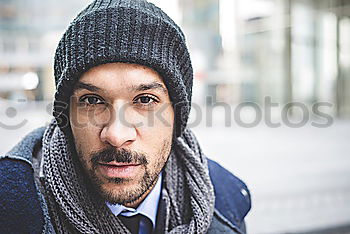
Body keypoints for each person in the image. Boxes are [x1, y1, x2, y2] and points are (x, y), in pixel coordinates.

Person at [0, 0, 251, 233]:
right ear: (65, 115)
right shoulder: (10, 208)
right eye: (92, 100)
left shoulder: (227, 203)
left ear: (177, 115)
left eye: (145, 100)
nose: (116, 135)